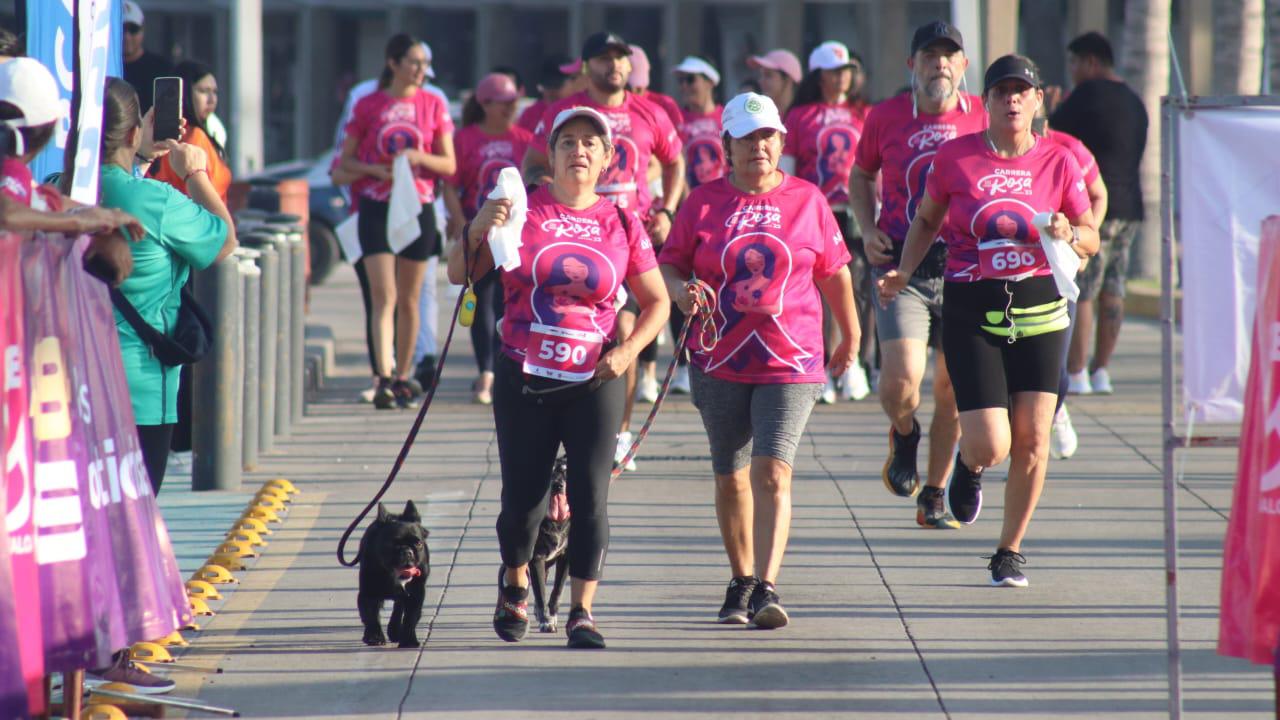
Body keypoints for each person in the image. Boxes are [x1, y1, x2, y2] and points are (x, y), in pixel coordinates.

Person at [448, 106, 669, 649]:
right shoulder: (522, 208)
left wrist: (628, 353)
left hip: (595, 377)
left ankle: (582, 611)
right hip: (523, 372)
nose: (579, 151)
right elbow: (461, 275)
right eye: (567, 142)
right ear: (550, 155)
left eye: (590, 144)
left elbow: (658, 302)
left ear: (607, 159)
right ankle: (516, 581)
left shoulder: (622, 221)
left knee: (592, 497)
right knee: (523, 499)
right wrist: (479, 227)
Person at [878, 55, 1099, 587]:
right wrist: (903, 271)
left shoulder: (1059, 161)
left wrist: (1072, 235)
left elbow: (1091, 234)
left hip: (1043, 311)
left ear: (1038, 100)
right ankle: (970, 465)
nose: (1012, 99)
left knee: (1034, 440)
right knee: (991, 444)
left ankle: (1009, 550)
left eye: (1023, 90)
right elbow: (927, 219)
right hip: (974, 310)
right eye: (1002, 90)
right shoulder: (956, 158)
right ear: (988, 101)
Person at [660, 92, 859, 627]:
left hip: (791, 359)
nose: (758, 147)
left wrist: (851, 334)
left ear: (781, 142)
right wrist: (681, 293)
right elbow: (671, 265)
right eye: (746, 138)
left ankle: (768, 587)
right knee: (731, 476)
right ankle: (741, 579)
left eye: (767, 136)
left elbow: (836, 272)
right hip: (717, 356)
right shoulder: (701, 203)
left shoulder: (809, 199)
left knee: (773, 471)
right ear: (726, 145)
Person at [94, 77, 237, 688]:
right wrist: (196, 170)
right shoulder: (153, 199)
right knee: (127, 521)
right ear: (133, 131)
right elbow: (223, 239)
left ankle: (72, 646)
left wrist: (142, 155)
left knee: (78, 517)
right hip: (140, 388)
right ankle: (117, 653)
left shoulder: (56, 191)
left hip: (68, 384)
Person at [523, 31, 684, 473]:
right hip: (571, 241)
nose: (612, 65)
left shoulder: (650, 111)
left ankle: (618, 431)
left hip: (627, 246)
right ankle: (571, 427)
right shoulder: (564, 113)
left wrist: (667, 208)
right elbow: (533, 162)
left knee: (625, 334)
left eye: (620, 57)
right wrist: (542, 192)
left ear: (630, 66)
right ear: (585, 65)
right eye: (602, 58)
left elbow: (676, 161)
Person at [849, 21, 986, 528]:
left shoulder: (981, 117)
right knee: (901, 382)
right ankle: (904, 432)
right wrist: (866, 227)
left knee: (952, 391)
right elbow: (861, 175)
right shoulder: (884, 117)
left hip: (966, 267)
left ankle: (933, 493)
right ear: (912, 66)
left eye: (950, 57)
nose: (941, 66)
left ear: (964, 67)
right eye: (930, 57)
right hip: (900, 268)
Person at [337, 34, 456, 410]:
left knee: (410, 297)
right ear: (393, 63)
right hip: (375, 206)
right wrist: (374, 169)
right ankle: (383, 375)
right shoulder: (369, 103)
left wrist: (416, 158)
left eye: (424, 64)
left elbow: (449, 164)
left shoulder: (434, 103)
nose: (421, 71)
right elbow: (342, 167)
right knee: (383, 295)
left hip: (417, 206)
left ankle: (403, 375)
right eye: (414, 63)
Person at [1048, 31, 1148, 396]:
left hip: (1096, 204)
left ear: (1091, 62)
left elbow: (1054, 141)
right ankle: (1101, 368)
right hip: (1131, 205)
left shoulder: (1085, 96)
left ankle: (1077, 373)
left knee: (1085, 288)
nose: (1071, 70)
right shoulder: (1135, 100)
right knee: (1114, 289)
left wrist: (1056, 107)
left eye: (1074, 63)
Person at [782, 40, 869, 404]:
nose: (842, 77)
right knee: (818, 292)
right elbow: (786, 169)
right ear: (818, 76)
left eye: (846, 69)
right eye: (834, 71)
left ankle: (854, 364)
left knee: (858, 287)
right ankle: (824, 367)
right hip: (816, 214)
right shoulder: (800, 117)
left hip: (859, 212)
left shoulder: (864, 113)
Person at [0, 58, 138, 282]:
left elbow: (50, 204)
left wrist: (104, 222)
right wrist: (80, 223)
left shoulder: (31, 190)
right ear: (49, 129)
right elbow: (6, 211)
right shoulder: (10, 173)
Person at [441, 72, 532, 404]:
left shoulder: (524, 140)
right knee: (480, 303)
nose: (512, 108)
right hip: (479, 236)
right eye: (505, 103)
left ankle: (506, 367)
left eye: (514, 102)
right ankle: (486, 372)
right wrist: (465, 225)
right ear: (485, 104)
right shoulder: (464, 139)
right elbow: (449, 185)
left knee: (507, 303)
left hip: (512, 238)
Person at [1035, 105, 1108, 460]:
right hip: (1011, 274)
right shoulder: (992, 153)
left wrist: (1079, 243)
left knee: (1055, 368)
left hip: (1061, 266)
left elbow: (1099, 195)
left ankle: (1056, 408)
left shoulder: (1068, 151)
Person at [667, 55, 726, 395]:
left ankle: (713, 351)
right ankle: (684, 365)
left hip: (721, 211)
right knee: (683, 285)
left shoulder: (723, 118)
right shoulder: (678, 122)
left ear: (710, 82)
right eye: (682, 81)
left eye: (693, 80)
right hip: (686, 211)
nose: (686, 87)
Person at [151, 61, 231, 201]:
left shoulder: (199, 132)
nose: (212, 99)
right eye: (203, 91)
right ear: (185, 93)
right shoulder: (194, 137)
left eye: (214, 92)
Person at [121, 1, 173, 114]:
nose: (127, 36)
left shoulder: (162, 69)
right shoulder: (104, 69)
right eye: (121, 30)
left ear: (143, 30)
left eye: (133, 29)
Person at [516, 54, 582, 133]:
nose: (551, 92)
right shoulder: (531, 114)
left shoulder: (582, 110)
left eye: (556, 86)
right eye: (573, 78)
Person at [747, 49, 803, 117]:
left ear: (787, 80)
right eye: (761, 75)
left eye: (768, 75)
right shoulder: (759, 118)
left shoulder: (806, 118)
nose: (760, 81)